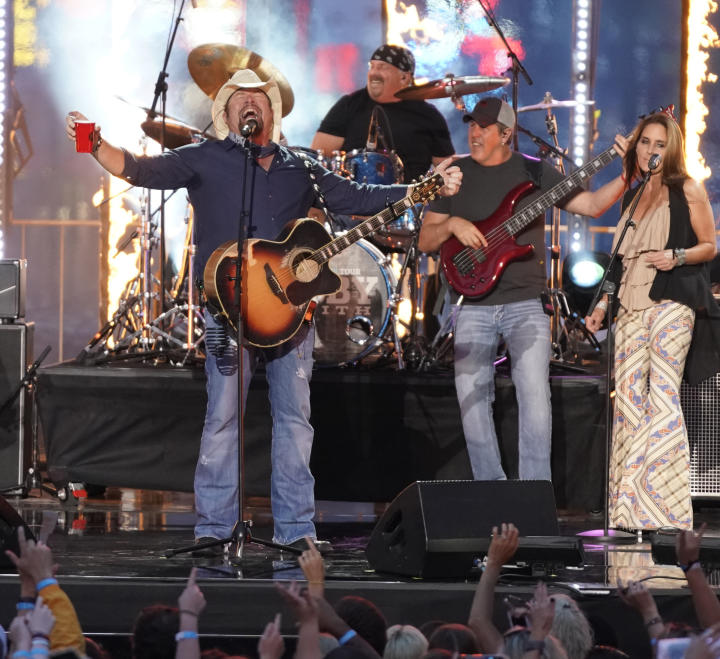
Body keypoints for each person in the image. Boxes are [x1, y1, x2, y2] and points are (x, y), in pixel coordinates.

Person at [66, 69, 462, 553]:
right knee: (222, 418)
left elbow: (359, 198)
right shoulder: (203, 156)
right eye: (239, 98)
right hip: (225, 313)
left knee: (295, 421)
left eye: (259, 97)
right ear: (227, 113)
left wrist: (424, 188)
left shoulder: (304, 166)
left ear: (273, 111)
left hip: (290, 316)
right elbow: (139, 169)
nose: (250, 103)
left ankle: (296, 532)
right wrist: (94, 142)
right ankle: (214, 530)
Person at [419, 97, 628, 481]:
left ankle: (533, 496)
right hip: (472, 303)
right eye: (471, 125)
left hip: (526, 304)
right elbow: (425, 240)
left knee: (535, 400)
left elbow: (593, 205)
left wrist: (625, 175)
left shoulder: (534, 172)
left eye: (483, 127)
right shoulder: (452, 175)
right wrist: (452, 226)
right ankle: (490, 491)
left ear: (506, 133)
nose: (474, 132)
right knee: (472, 402)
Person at [585, 111, 719, 531]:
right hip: (629, 303)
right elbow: (620, 261)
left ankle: (663, 508)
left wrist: (676, 256)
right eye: (645, 143)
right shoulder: (631, 195)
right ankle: (627, 509)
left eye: (659, 145)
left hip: (672, 299)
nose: (651, 151)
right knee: (626, 401)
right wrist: (603, 307)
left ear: (671, 149)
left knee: (662, 397)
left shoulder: (688, 190)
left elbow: (710, 246)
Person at [311, 44, 455, 183]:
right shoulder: (349, 105)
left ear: (404, 77)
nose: (373, 72)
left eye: (382, 67)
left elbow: (446, 169)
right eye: (371, 66)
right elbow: (318, 157)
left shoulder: (428, 116)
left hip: (409, 201)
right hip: (352, 200)